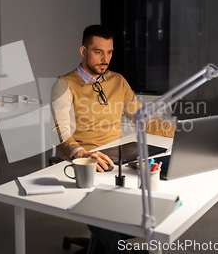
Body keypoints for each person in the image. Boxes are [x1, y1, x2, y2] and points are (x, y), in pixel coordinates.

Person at [51, 25, 175, 253]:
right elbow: (61, 135)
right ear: (83, 51)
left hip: (118, 156)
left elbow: (143, 119)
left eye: (109, 52)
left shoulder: (118, 81)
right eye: (98, 52)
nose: (105, 58)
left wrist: (181, 132)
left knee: (156, 194)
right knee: (105, 210)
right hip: (85, 161)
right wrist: (82, 155)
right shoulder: (64, 84)